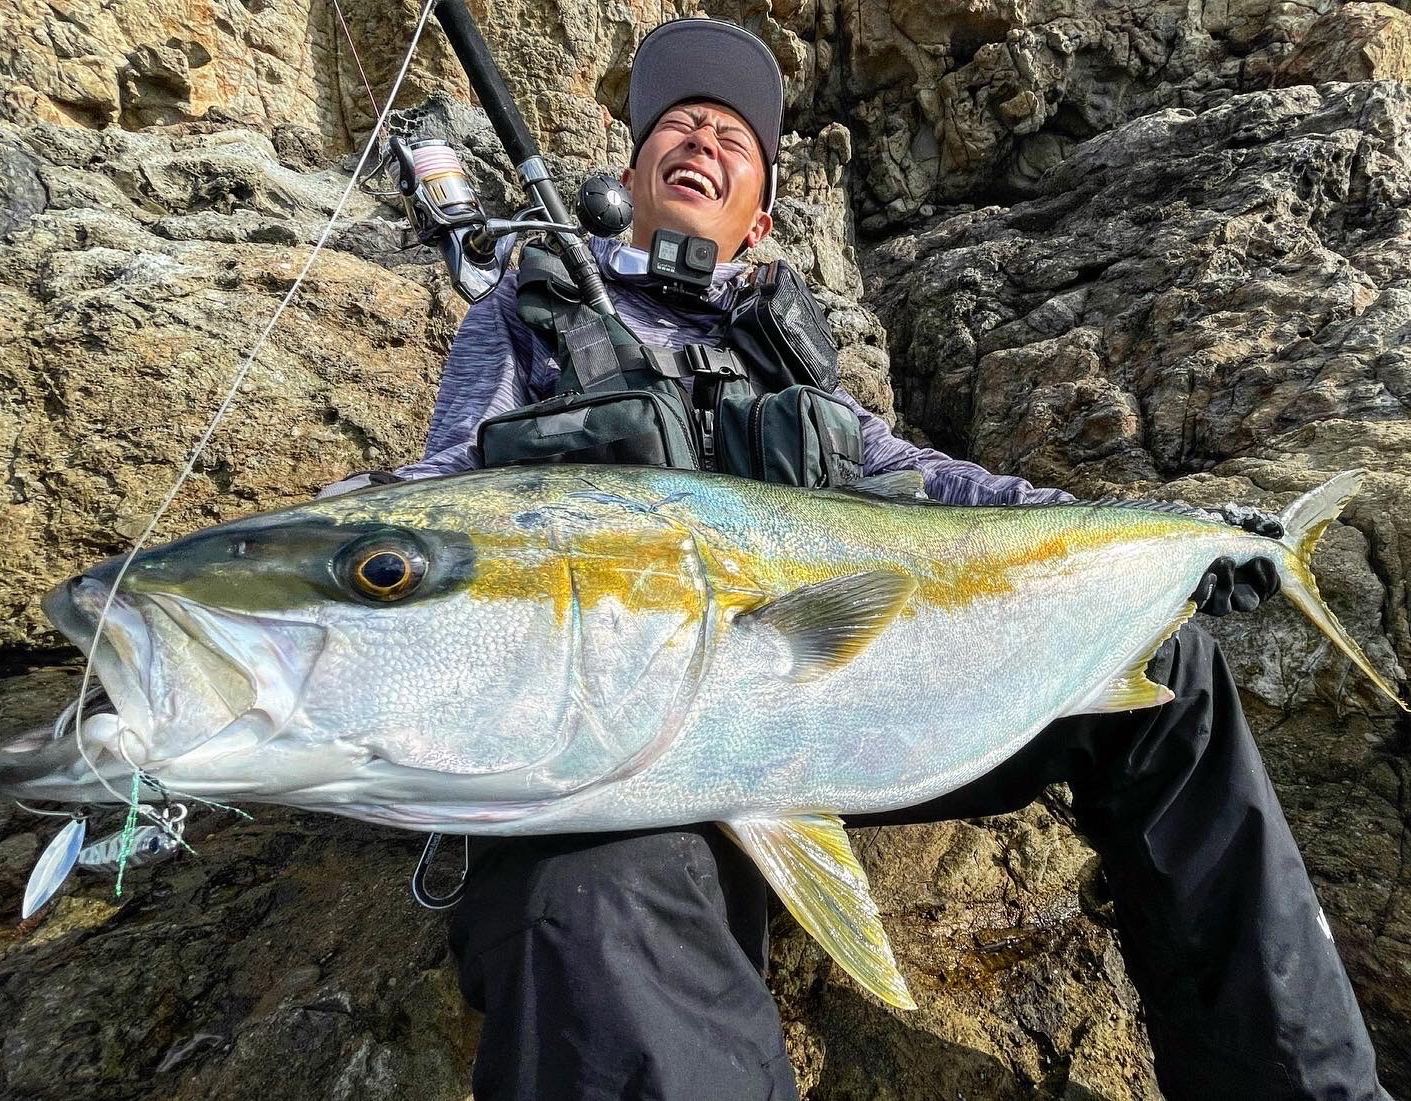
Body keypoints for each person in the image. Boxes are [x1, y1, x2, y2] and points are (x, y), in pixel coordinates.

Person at [374, 18, 1394, 1101]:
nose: (700, 137)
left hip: (843, 706)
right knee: (590, 893)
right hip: (637, 732)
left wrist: (1161, 540)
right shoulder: (529, 312)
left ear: (760, 216)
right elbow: (453, 487)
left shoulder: (790, 359)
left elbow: (951, 494)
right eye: (674, 123)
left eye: (731, 136)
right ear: (624, 178)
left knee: (1170, 675)